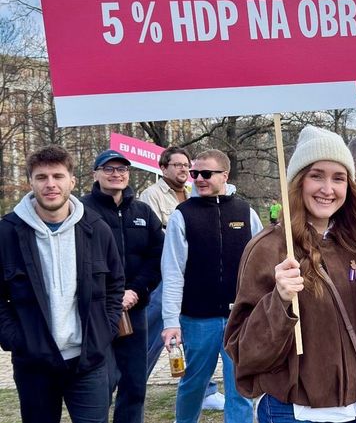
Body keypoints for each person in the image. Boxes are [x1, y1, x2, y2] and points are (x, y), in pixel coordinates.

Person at [224, 125, 356, 423]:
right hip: (294, 412)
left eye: (338, 178)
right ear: (298, 181)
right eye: (316, 176)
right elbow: (244, 351)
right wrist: (279, 301)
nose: (328, 189)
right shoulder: (268, 248)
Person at [0, 145, 124, 423]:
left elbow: (115, 286)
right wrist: (15, 339)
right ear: (30, 182)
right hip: (34, 363)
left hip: (89, 361)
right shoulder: (7, 232)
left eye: (58, 176)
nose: (50, 184)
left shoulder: (97, 228)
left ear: (72, 181)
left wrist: (104, 331)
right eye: (41, 177)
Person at [161, 149, 262, 423]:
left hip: (239, 318)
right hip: (197, 319)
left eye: (206, 173)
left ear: (225, 175)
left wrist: (259, 310)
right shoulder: (183, 215)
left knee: (240, 388)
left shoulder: (246, 212)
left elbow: (259, 265)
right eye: (194, 174)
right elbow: (172, 272)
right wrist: (170, 321)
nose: (198, 179)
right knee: (193, 385)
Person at [139, 146, 226, 410]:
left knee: (195, 342)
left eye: (187, 166)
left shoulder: (193, 192)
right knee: (159, 335)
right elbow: (154, 238)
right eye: (177, 165)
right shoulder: (152, 195)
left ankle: (207, 391)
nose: (185, 170)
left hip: (196, 278)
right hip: (165, 276)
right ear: (163, 168)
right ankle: (136, 384)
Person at [80, 149, 163, 423]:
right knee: (99, 383)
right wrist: (112, 295)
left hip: (134, 310)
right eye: (109, 169)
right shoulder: (80, 211)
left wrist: (136, 291)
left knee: (134, 383)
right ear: (96, 174)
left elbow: (157, 256)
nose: (116, 174)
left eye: (122, 169)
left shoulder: (143, 212)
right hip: (96, 312)